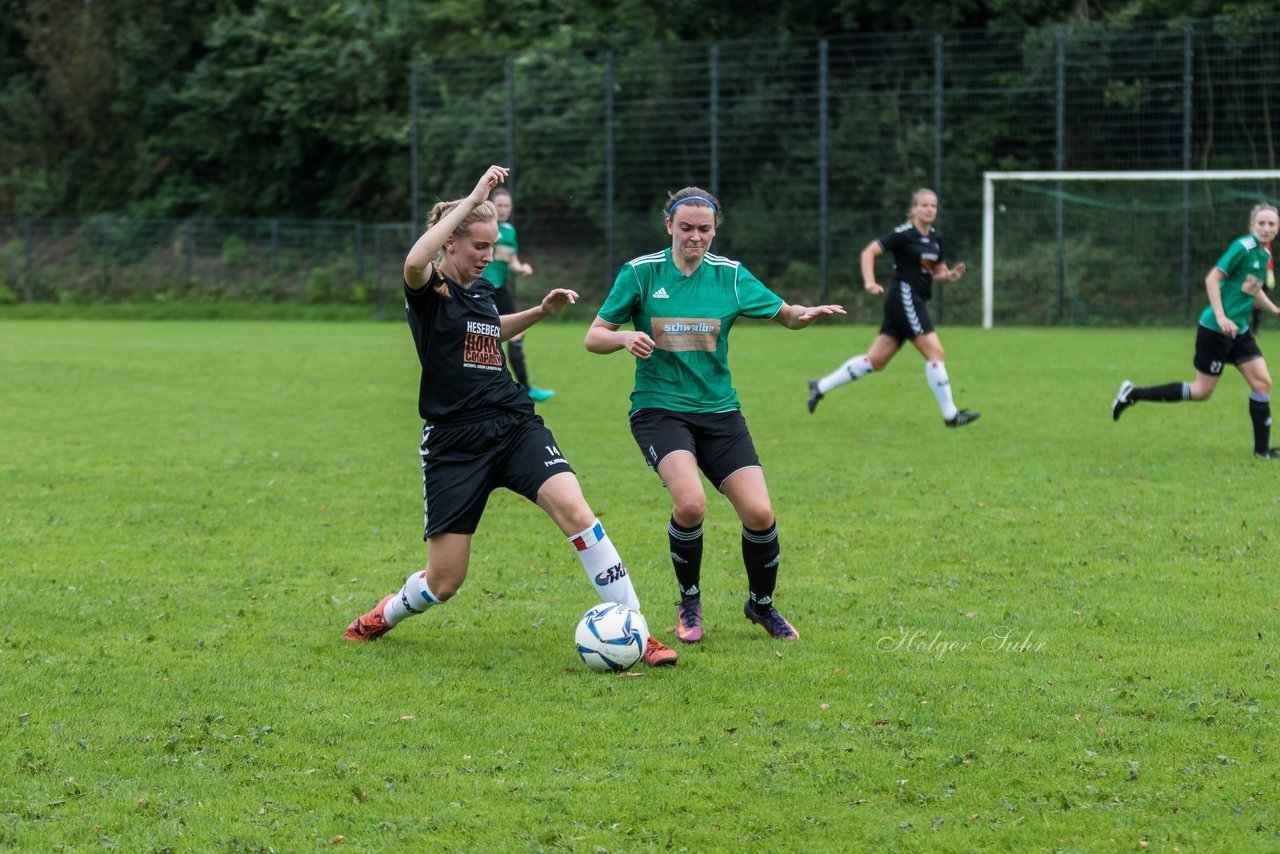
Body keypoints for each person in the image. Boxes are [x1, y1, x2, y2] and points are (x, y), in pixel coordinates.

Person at [344, 165, 677, 667]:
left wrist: (540, 312)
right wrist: (477, 194)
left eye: (494, 245)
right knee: (444, 583)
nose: (488, 255)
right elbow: (415, 259)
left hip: (513, 423)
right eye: (479, 245)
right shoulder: (429, 291)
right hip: (455, 443)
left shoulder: (480, 292)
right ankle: (386, 613)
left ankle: (637, 631)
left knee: (577, 512)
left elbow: (488, 330)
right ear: (451, 242)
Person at [584, 187, 845, 643]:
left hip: (720, 413)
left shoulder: (731, 276)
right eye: (686, 228)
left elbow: (787, 314)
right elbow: (594, 336)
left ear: (715, 229)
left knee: (760, 513)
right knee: (690, 503)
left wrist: (808, 313)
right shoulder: (642, 274)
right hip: (659, 410)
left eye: (705, 229)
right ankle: (690, 601)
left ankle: (760, 607)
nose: (695, 237)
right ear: (669, 225)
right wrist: (625, 339)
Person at [1111, 202, 1280, 459]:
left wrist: (1276, 310)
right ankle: (1133, 393)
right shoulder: (1242, 247)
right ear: (1252, 226)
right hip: (1215, 329)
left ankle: (1262, 451)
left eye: (1272, 224)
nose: (1267, 228)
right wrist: (1222, 317)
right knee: (1201, 392)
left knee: (1262, 382)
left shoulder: (1264, 255)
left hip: (1239, 330)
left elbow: (1253, 290)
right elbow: (1212, 278)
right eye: (1262, 223)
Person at [806, 188, 980, 428]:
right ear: (914, 208)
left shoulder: (935, 238)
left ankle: (820, 386)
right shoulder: (903, 234)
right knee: (936, 354)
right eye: (925, 205)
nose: (930, 209)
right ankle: (951, 415)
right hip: (905, 298)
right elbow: (869, 252)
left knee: (876, 361)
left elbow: (937, 270)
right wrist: (869, 281)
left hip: (911, 301)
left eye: (934, 206)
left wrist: (948, 276)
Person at [489, 186, 555, 402]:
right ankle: (488, 389)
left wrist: (522, 267)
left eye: (507, 205)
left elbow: (511, 261)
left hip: (501, 289)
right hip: (481, 289)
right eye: (500, 205)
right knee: (485, 337)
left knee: (517, 334)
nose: (504, 209)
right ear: (491, 206)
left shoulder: (509, 231)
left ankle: (525, 388)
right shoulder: (483, 227)